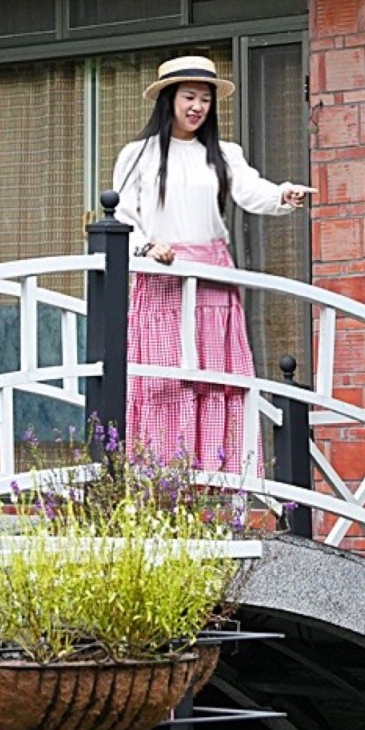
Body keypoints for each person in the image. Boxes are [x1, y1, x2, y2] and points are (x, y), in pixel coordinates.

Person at [111, 54, 312, 469]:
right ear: (168, 100)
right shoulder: (138, 154)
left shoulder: (224, 152)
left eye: (205, 99)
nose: (197, 107)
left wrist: (282, 195)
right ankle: (162, 480)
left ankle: (219, 480)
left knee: (218, 380)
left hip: (214, 277)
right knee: (167, 378)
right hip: (164, 277)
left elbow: (252, 191)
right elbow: (123, 214)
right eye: (189, 97)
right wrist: (148, 248)